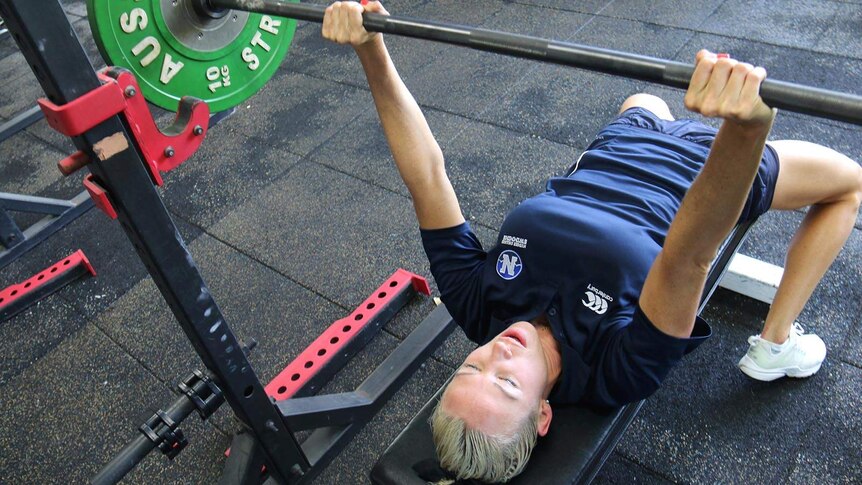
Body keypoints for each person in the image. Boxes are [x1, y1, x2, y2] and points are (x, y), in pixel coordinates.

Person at [321, 2, 862, 482]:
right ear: (542, 415)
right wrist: (745, 131)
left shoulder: (475, 303)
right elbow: (689, 256)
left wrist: (372, 48)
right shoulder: (617, 372)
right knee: (849, 184)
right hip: (699, 170)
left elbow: (427, 177)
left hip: (620, 146)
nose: (496, 353)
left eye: (471, 367)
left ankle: (667, 118)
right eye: (506, 383)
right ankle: (775, 341)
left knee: (644, 95)